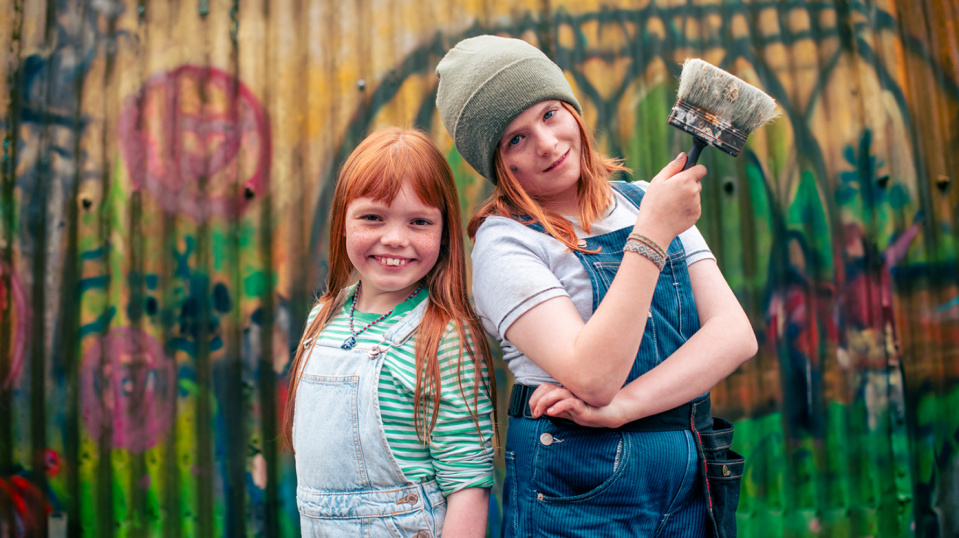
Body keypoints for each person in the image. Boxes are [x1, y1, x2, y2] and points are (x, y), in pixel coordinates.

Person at [435, 35, 758, 537]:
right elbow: (593, 377)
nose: (546, 143)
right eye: (515, 139)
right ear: (498, 164)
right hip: (579, 488)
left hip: (689, 482)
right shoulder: (506, 243)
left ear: (572, 110)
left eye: (549, 114)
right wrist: (652, 235)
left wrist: (626, 408)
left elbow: (734, 336)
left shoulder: (645, 200)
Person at [283, 127, 496, 537]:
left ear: (443, 233)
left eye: (419, 222)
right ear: (343, 222)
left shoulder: (443, 337)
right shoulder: (323, 317)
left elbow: (468, 484)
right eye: (373, 218)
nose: (395, 239)